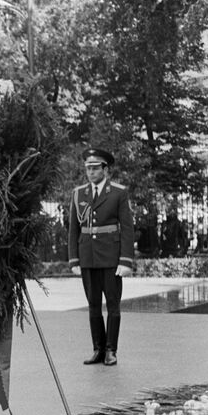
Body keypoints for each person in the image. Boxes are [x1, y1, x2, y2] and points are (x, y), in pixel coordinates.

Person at [67, 147, 135, 366]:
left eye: (95, 168)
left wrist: (125, 261)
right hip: (88, 257)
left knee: (113, 304)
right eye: (88, 168)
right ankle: (97, 348)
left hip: (111, 257)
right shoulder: (79, 194)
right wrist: (74, 259)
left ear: (105, 169)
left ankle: (110, 350)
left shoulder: (118, 192)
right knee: (93, 304)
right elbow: (73, 229)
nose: (91, 172)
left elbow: (127, 228)